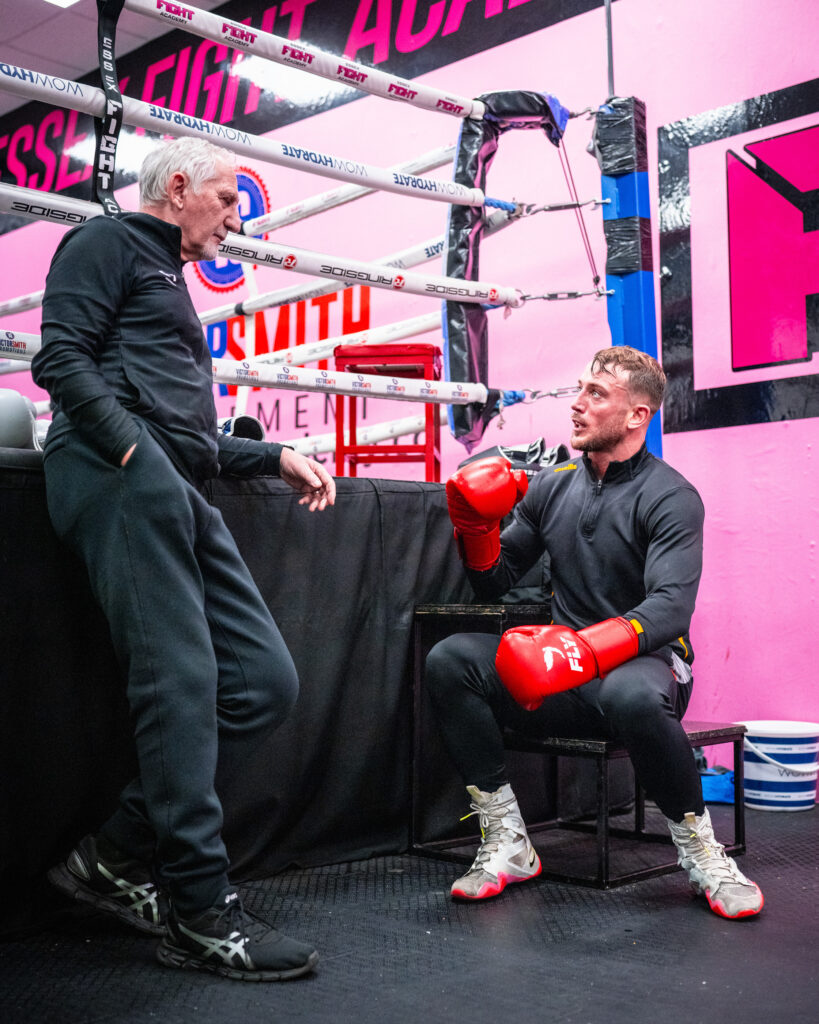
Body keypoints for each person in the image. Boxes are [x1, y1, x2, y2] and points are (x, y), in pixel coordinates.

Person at [32, 137, 335, 981]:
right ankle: (200, 913)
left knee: (262, 683)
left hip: (169, 484)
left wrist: (268, 455)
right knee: (179, 682)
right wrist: (134, 457)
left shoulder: (165, 276)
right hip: (116, 478)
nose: (236, 222)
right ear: (177, 188)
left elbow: (188, 435)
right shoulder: (106, 242)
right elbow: (59, 358)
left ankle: (111, 859)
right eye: (229, 202)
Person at [426, 345, 763, 920]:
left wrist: (585, 646)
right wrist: (476, 528)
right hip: (561, 675)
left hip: (648, 671)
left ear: (637, 415)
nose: (576, 405)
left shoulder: (671, 497)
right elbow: (496, 582)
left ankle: (703, 852)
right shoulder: (553, 487)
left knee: (627, 692)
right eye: (579, 389)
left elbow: (669, 611)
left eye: (596, 394)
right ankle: (508, 841)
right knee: (450, 659)